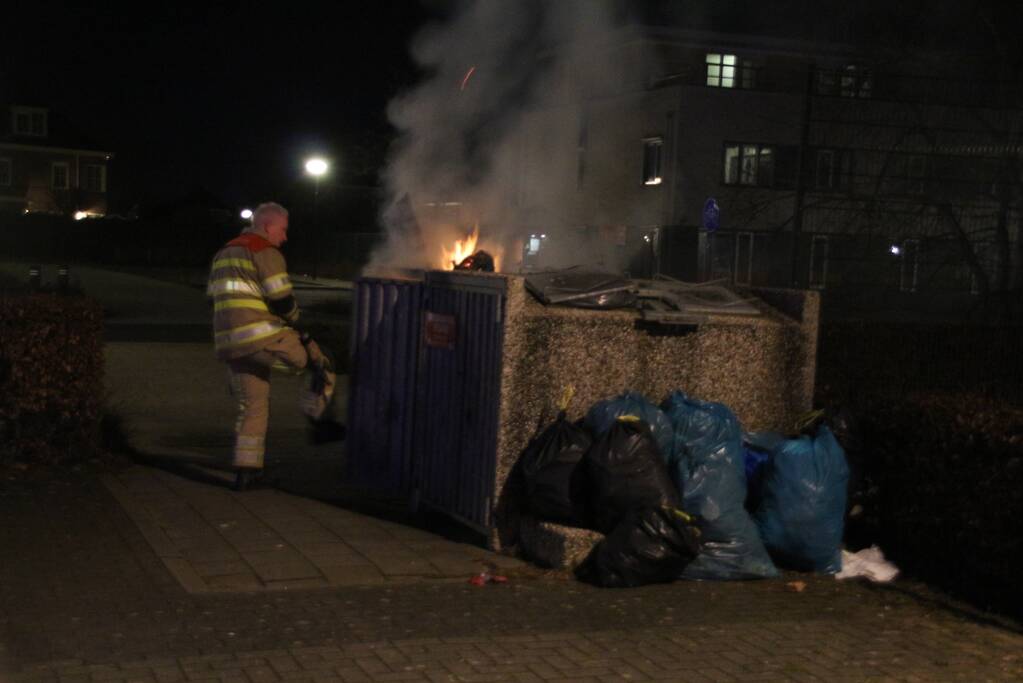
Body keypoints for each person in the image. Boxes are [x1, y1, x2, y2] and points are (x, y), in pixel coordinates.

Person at [207, 202, 342, 490]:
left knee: (252, 406)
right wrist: (299, 324)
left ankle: (247, 472)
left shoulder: (223, 253)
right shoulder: (264, 251)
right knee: (321, 359)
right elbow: (282, 300)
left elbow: (213, 299)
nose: (285, 237)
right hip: (262, 338)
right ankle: (320, 422)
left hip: (230, 344)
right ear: (268, 227)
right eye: (283, 230)